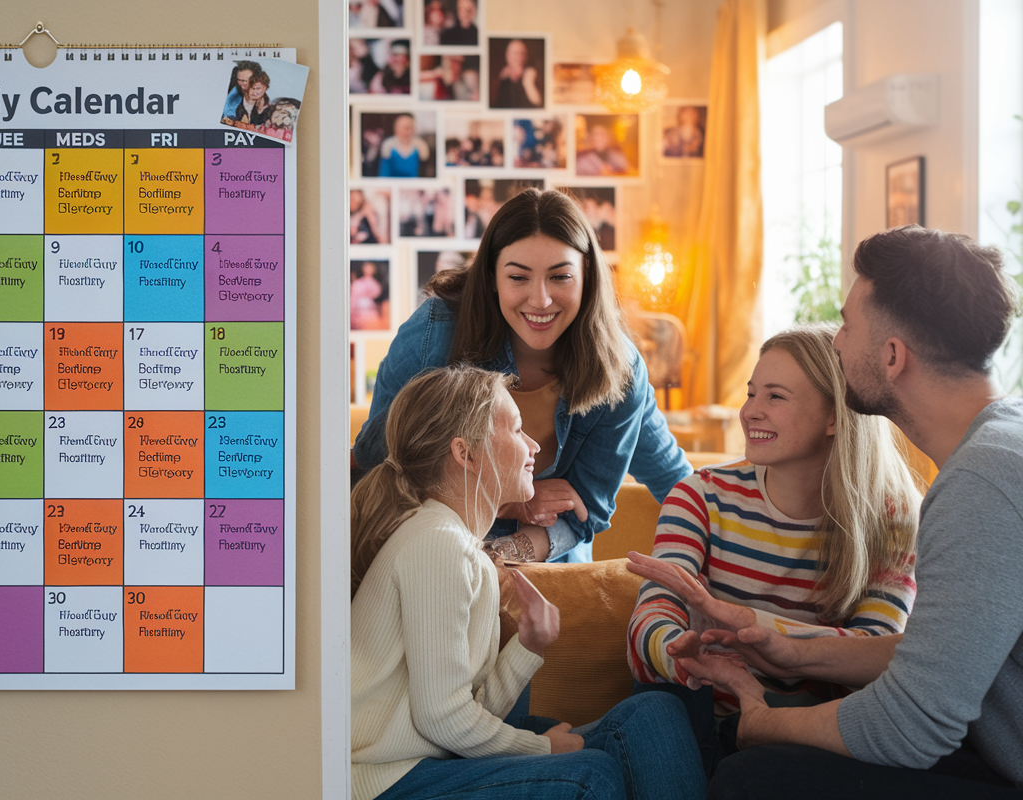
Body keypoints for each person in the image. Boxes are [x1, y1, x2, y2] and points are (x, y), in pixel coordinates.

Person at [665, 226, 1023, 797]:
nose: (836, 343)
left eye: (848, 325)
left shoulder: (980, 483)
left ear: (891, 355)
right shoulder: (1002, 444)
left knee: (751, 777)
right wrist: (792, 648)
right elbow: (939, 658)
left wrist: (760, 726)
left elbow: (911, 726)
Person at [351, 364, 706, 800]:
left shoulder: (459, 547)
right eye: (517, 430)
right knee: (590, 777)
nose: (534, 446)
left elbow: (473, 716)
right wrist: (542, 748)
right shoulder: (436, 545)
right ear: (466, 454)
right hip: (387, 778)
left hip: (430, 761)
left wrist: (528, 644)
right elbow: (442, 722)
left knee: (654, 713)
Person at [625, 324, 921, 773]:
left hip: (805, 731)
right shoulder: (699, 496)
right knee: (657, 711)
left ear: (835, 417)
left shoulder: (892, 518)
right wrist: (681, 651)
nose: (750, 412)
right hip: (701, 714)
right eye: (751, 393)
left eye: (775, 397)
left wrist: (762, 631)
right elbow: (652, 616)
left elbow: (875, 651)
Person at [353, 189, 692, 563]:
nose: (540, 299)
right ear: (492, 277)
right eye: (518, 277)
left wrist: (498, 558)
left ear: (587, 276)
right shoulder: (435, 335)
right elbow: (376, 467)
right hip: (430, 549)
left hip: (547, 559)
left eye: (560, 276)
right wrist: (509, 503)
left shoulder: (619, 368)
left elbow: (589, 509)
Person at [376, 113, 429, 178]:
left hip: (414, 185)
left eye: (409, 128)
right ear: (396, 129)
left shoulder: (421, 145)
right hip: (392, 184)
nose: (406, 131)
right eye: (403, 128)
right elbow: (383, 173)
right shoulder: (388, 145)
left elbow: (426, 172)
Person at [494, 39, 542, 109]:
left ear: (526, 56)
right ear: (507, 56)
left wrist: (528, 83)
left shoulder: (531, 74)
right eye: (516, 53)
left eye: (522, 53)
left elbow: (539, 104)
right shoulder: (502, 78)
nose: (519, 57)